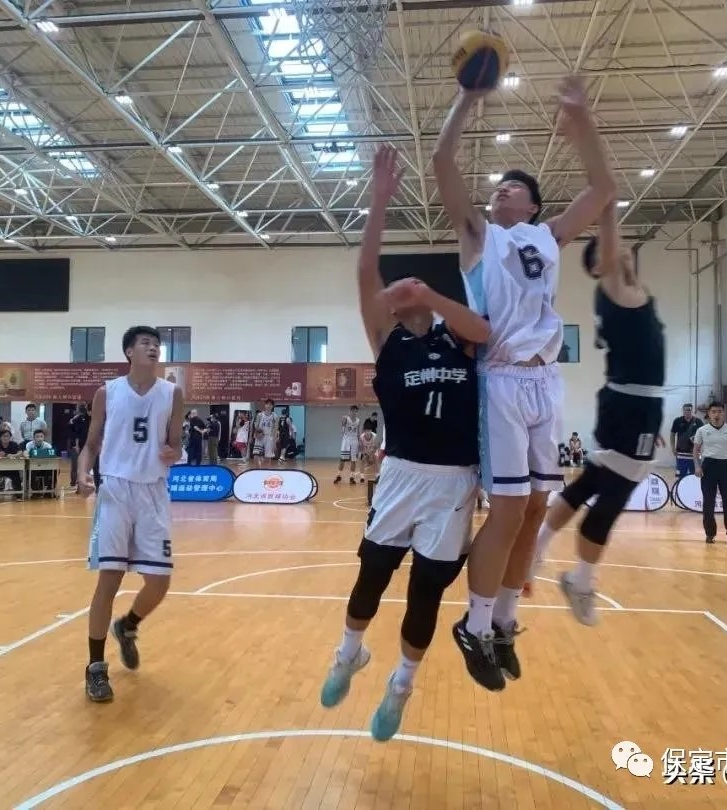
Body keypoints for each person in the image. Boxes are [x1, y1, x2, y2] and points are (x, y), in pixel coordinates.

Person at [433, 74, 616, 691]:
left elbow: (603, 189)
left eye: (512, 186)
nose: (500, 189)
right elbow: (442, 161)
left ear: (532, 206)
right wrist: (468, 96)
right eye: (497, 186)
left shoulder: (548, 236)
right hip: (502, 381)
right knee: (509, 507)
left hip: (546, 381)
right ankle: (475, 623)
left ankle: (505, 621)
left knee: (537, 507)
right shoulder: (479, 236)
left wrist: (582, 123)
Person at [319, 146, 490, 742]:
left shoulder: (456, 338)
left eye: (401, 286)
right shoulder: (387, 342)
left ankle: (400, 687)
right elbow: (365, 272)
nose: (389, 291)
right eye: (388, 290)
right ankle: (348, 654)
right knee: (373, 574)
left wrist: (435, 299)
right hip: (401, 473)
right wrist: (378, 200)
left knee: (425, 593)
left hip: (455, 480)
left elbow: (484, 328)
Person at [531, 201, 666, 627]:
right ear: (600, 265)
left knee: (593, 480)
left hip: (635, 404)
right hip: (630, 405)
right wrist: (605, 198)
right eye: (614, 247)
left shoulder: (634, 294)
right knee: (613, 495)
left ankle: (536, 548)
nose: (623, 249)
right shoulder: (613, 292)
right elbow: (611, 246)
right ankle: (581, 580)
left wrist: (653, 422)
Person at [78, 326, 184, 703]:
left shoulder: (172, 393)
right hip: (116, 490)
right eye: (145, 343)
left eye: (156, 344)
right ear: (129, 352)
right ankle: (95, 668)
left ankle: (127, 626)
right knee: (109, 579)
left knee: (159, 582)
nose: (153, 348)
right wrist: (82, 472)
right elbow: (91, 444)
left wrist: (173, 452)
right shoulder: (107, 392)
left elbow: (176, 443)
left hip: (153, 492)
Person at [692, 403, 727, 544]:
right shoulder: (702, 430)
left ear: (723, 413)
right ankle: (710, 534)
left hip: (725, 467)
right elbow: (695, 450)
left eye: (720, 411)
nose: (717, 414)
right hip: (708, 467)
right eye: (714, 411)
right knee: (708, 502)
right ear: (709, 414)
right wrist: (697, 466)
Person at [670, 403, 704, 477]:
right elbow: (672, 434)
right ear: (683, 410)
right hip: (681, 454)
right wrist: (672, 447)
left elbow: (703, 436)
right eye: (685, 410)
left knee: (695, 475)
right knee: (681, 475)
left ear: (692, 410)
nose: (687, 412)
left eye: (689, 410)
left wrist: (702, 448)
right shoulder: (677, 421)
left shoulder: (698, 421)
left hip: (695, 454)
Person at [334, 405, 362, 485]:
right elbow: (342, 429)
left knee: (353, 460)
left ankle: (352, 478)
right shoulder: (346, 418)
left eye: (355, 411)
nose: (354, 412)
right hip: (346, 440)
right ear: (350, 411)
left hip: (354, 440)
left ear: (357, 412)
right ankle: (338, 475)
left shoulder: (358, 420)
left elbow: (358, 432)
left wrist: (359, 442)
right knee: (343, 459)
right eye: (352, 411)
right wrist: (343, 425)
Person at [253, 400, 276, 468]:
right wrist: (258, 432)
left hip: (269, 437)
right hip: (260, 437)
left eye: (270, 404)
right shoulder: (260, 415)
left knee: (268, 458)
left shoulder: (275, 416)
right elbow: (256, 426)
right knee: (256, 456)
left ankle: (266, 471)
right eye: (267, 404)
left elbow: (275, 429)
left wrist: (274, 442)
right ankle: (258, 470)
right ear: (265, 405)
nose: (268, 406)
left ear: (272, 406)